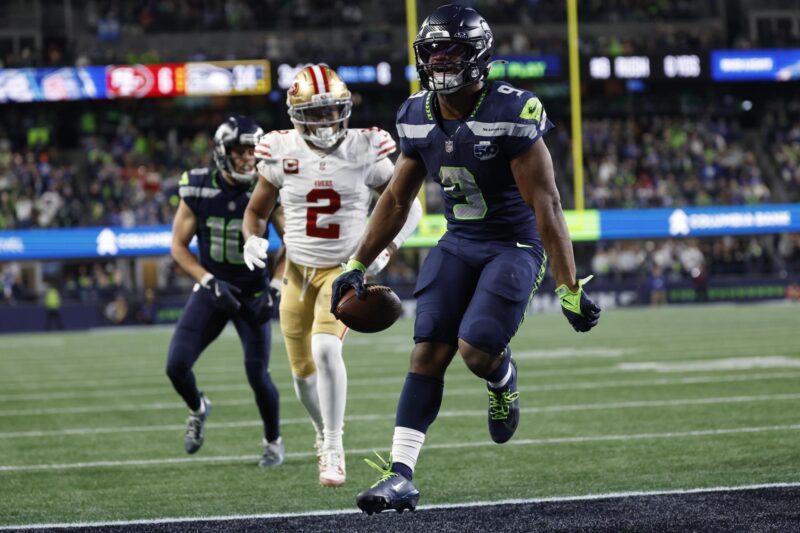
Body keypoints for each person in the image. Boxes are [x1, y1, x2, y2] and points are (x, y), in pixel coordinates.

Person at [329, 4, 602, 514]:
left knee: (475, 349)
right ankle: (401, 475)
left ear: (477, 54)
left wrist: (568, 285)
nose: (439, 59)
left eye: (450, 49)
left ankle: (502, 379)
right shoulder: (415, 114)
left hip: (513, 244)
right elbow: (394, 199)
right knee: (427, 352)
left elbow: (547, 204)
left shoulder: (510, 111)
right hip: (458, 241)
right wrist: (356, 264)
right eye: (431, 50)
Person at [242, 64, 422, 487]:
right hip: (296, 274)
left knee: (326, 350)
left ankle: (334, 446)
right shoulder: (280, 150)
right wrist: (253, 238)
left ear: (344, 109)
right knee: (302, 376)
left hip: (341, 272)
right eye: (315, 112)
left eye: (331, 111)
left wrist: (388, 248)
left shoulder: (365, 148)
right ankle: (321, 431)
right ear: (295, 115)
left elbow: (408, 204)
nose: (324, 121)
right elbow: (255, 210)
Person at [166, 115, 284, 467]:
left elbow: (294, 242)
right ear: (222, 153)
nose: (248, 158)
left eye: (253, 151)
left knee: (257, 375)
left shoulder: (268, 185)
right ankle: (198, 408)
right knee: (176, 366)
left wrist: (275, 288)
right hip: (212, 287)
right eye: (240, 151)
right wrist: (207, 281)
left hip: (252, 292)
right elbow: (178, 246)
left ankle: (273, 441)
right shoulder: (198, 186)